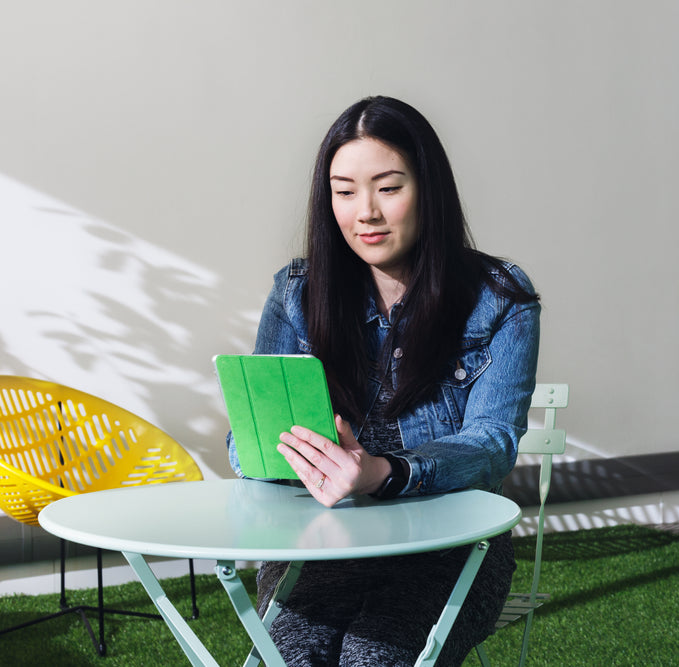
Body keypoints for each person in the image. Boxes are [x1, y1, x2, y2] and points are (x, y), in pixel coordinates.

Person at [226, 95, 541, 666]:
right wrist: (286, 451)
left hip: (451, 549)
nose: (364, 211)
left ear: (429, 190)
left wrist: (382, 472)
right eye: (344, 191)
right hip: (320, 546)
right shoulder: (297, 295)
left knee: (374, 658)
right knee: (294, 659)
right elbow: (248, 442)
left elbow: (493, 444)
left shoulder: (497, 297)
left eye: (388, 187)